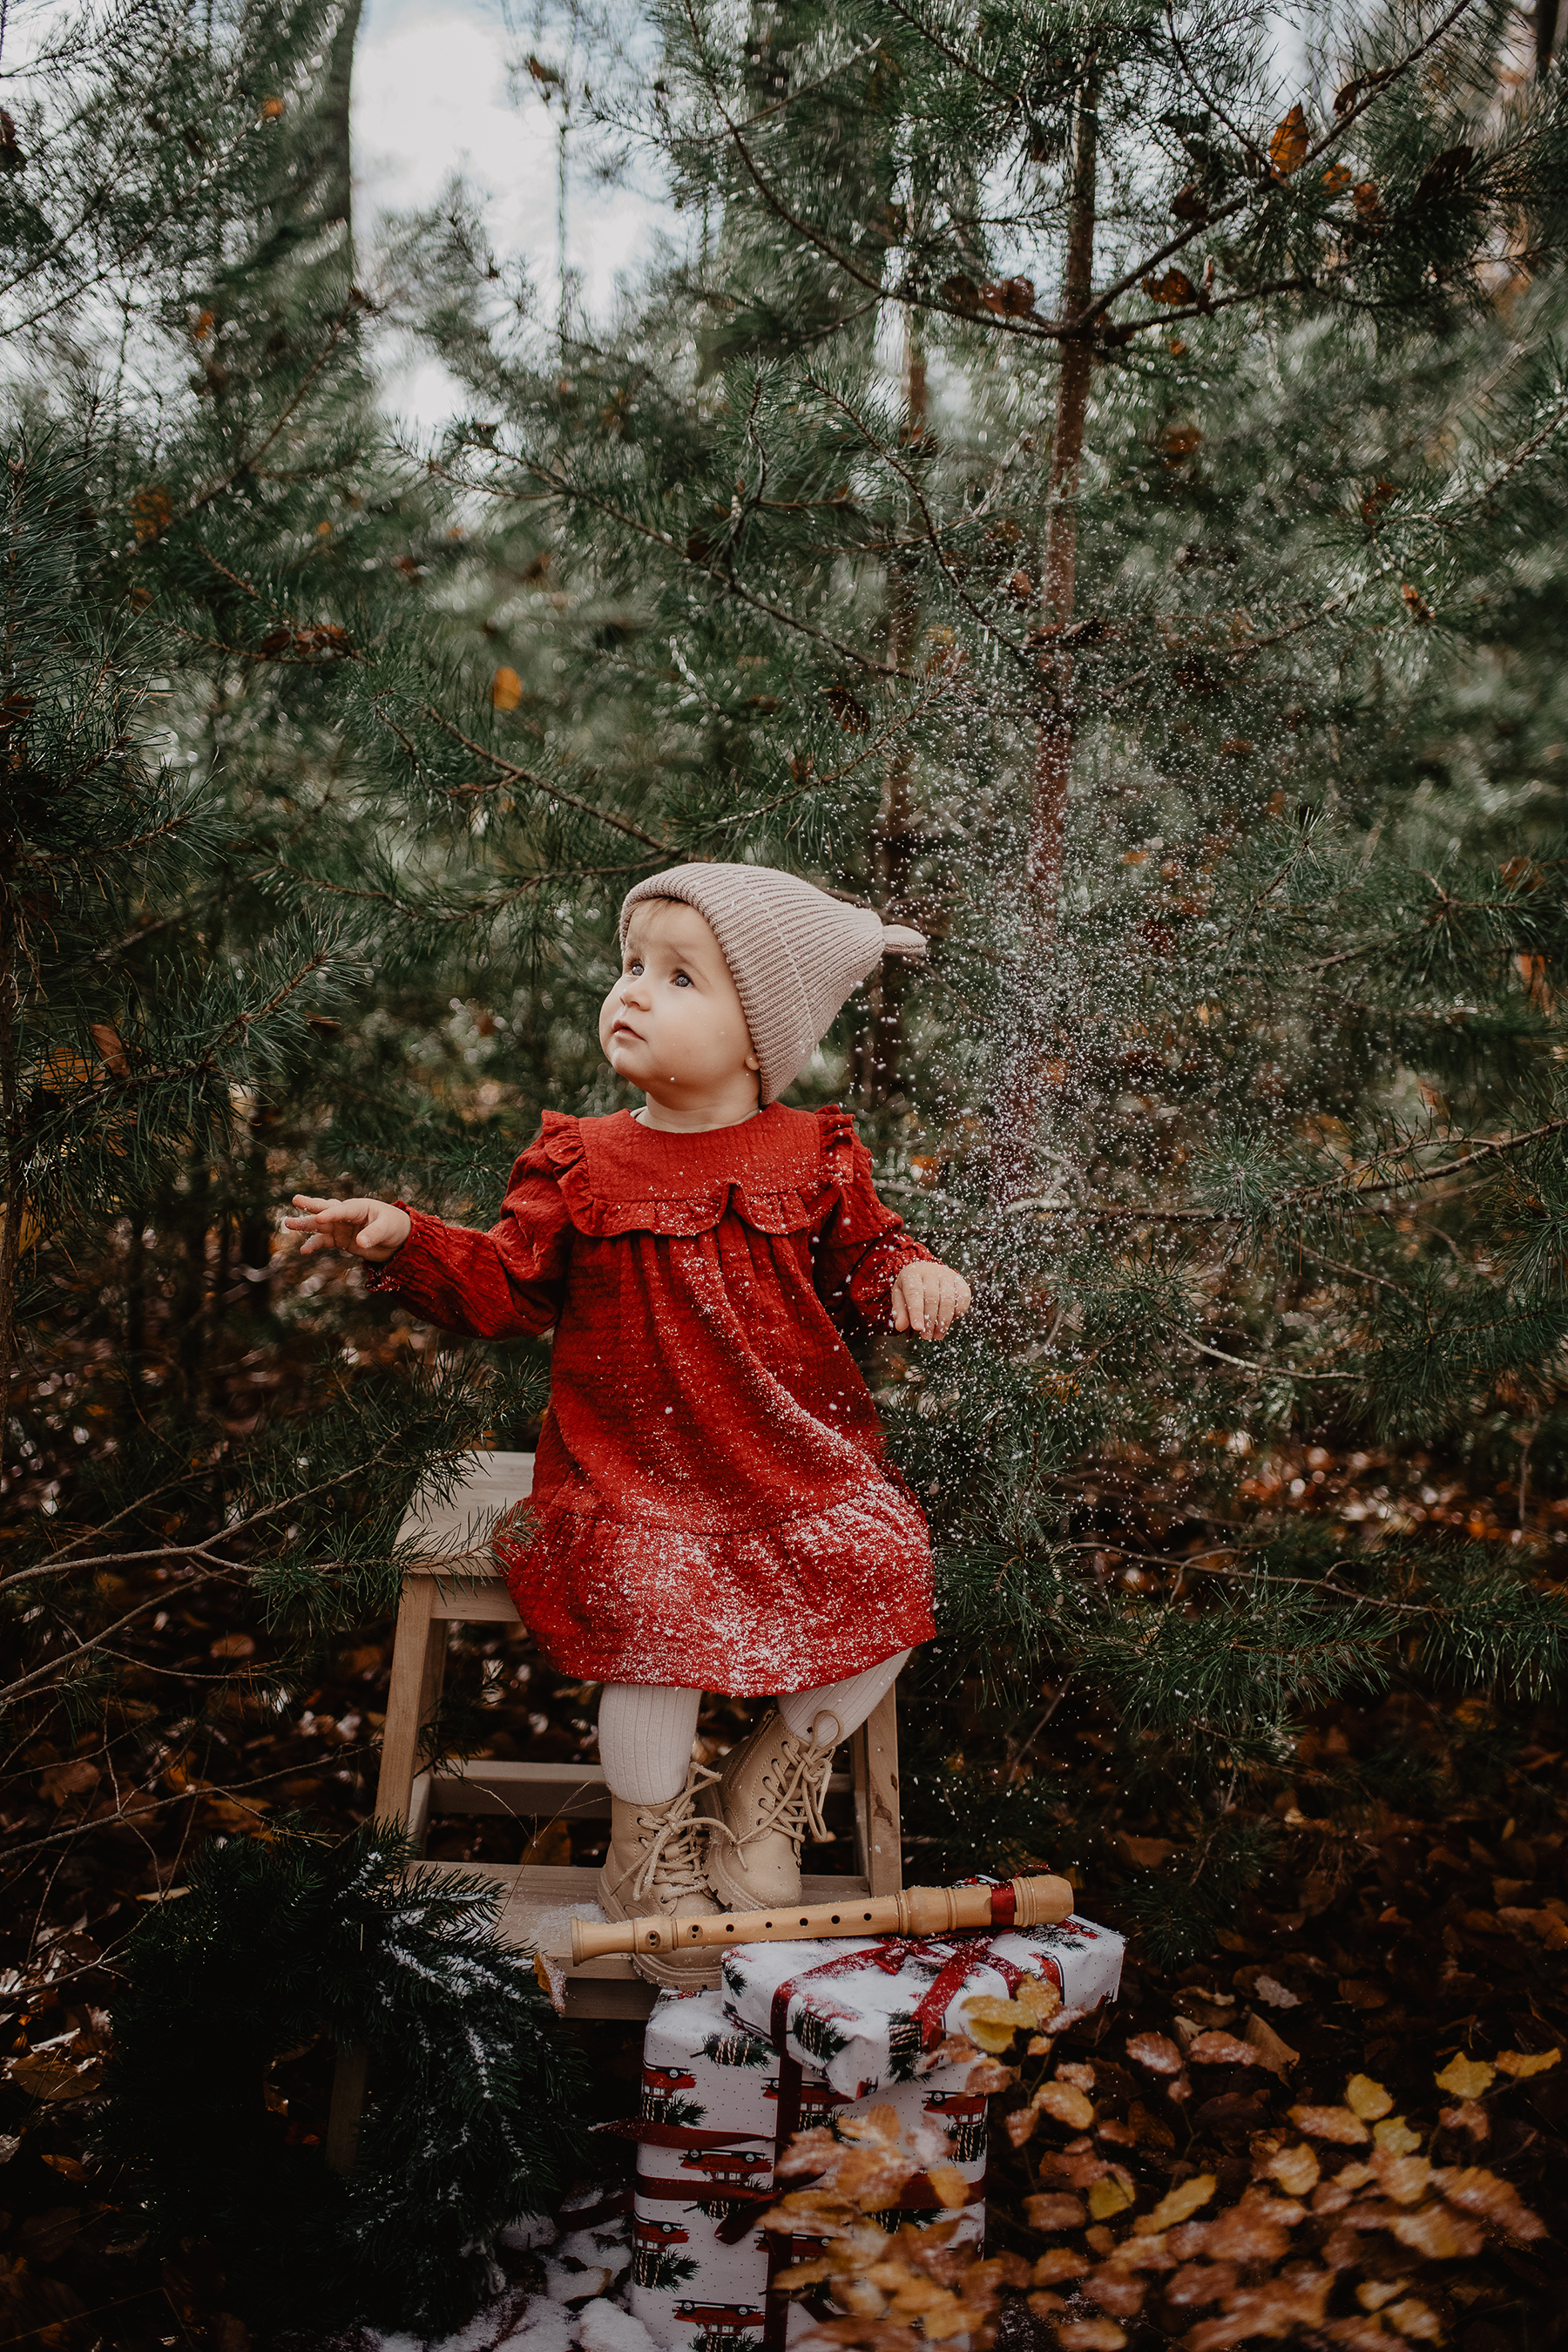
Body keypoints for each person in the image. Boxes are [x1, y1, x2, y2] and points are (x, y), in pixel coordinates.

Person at [284, 864, 972, 1985]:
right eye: (631, 966)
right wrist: (404, 1237)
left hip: (786, 1458)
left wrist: (915, 1270)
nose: (635, 992)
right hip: (633, 1471)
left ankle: (774, 1780)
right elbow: (506, 1285)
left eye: (679, 976)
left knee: (890, 1562)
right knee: (655, 1612)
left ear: (762, 1032)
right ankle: (643, 1849)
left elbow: (868, 1254)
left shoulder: (815, 1153)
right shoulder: (582, 1164)